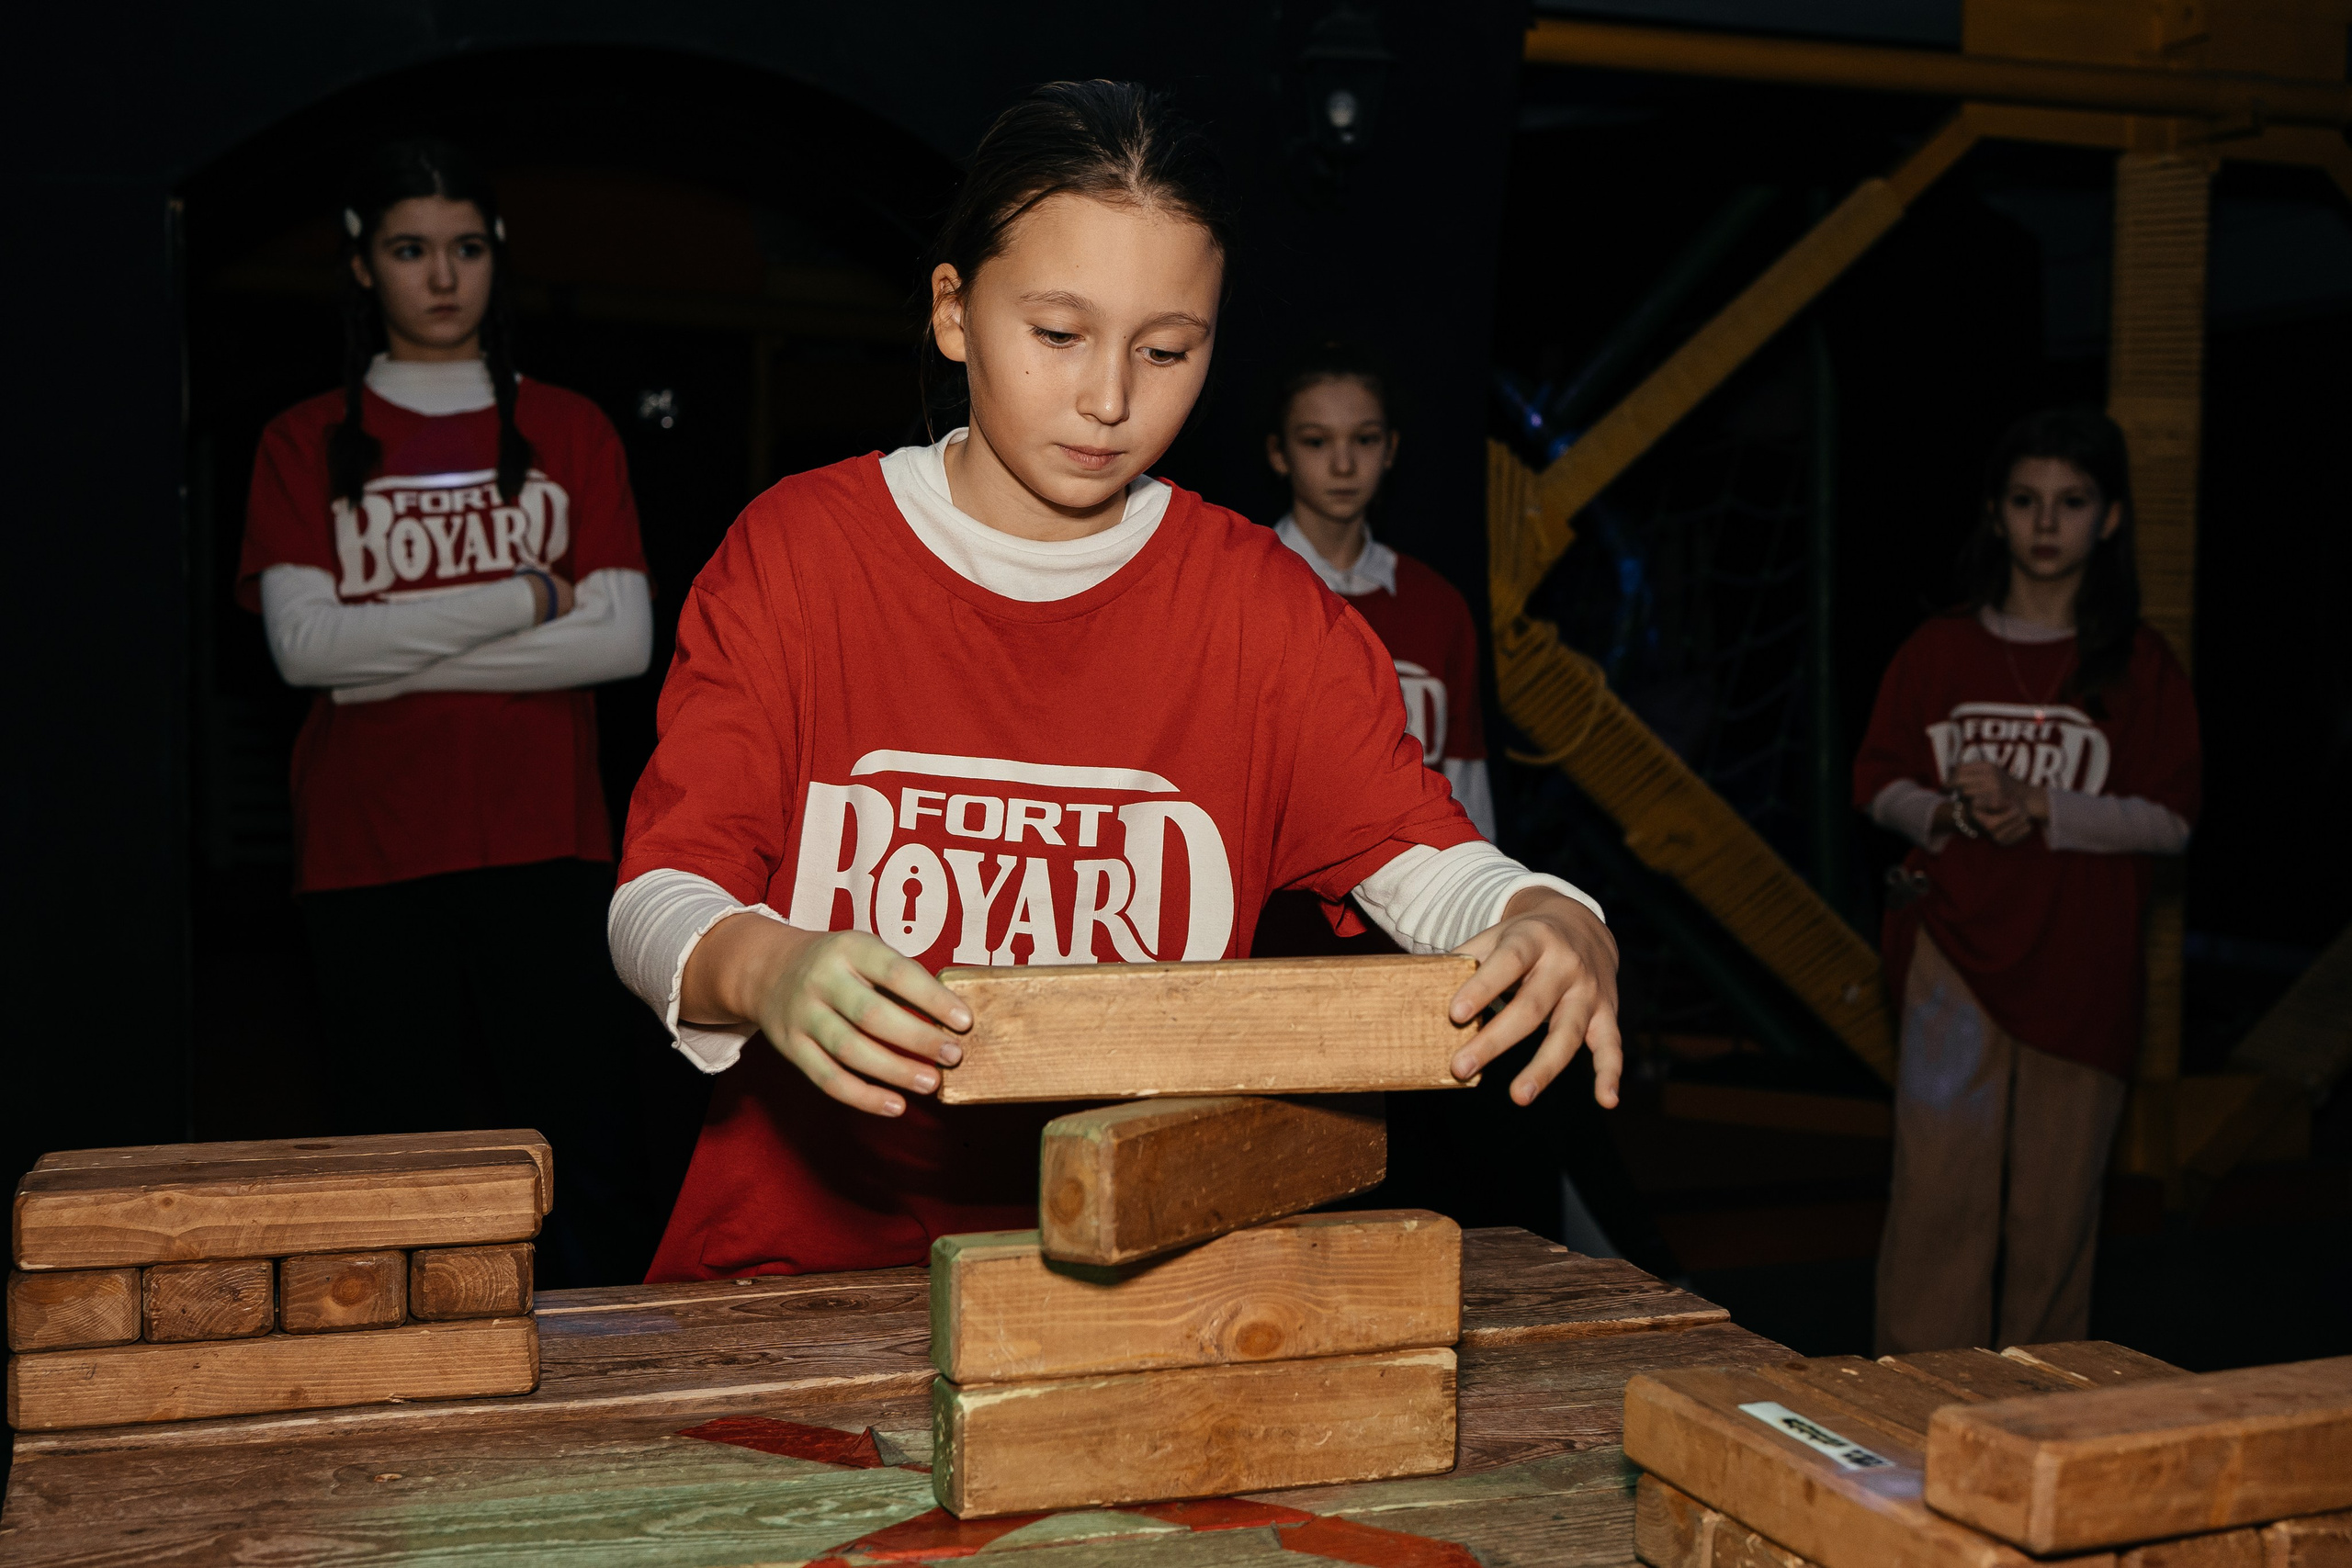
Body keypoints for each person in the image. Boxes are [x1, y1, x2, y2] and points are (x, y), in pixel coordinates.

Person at [606, 81, 1622, 1282]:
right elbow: (659, 895)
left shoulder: (1264, 610)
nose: (1108, 398)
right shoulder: (802, 551)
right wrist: (766, 965)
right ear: (952, 311)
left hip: (1141, 1284)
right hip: (796, 1278)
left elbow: (1427, 859)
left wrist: (1551, 916)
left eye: (1166, 349)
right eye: (1058, 333)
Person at [237, 139, 657, 1286]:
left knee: (580, 1143)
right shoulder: (302, 439)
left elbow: (621, 640)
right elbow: (302, 649)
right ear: (363, 263)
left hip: (545, 836)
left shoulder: (570, 429)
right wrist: (525, 597)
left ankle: (599, 1376)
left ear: (497, 257)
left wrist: (380, 664)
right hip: (367, 847)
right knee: (392, 1157)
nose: (440, 276)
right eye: (409, 249)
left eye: (464, 248)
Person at [1854, 407, 2199, 1353]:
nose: (2047, 524)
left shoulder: (2139, 665)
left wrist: (2040, 805)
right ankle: (1916, 1401)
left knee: (2054, 1213)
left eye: (2072, 502)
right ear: (1995, 515)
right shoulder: (1940, 650)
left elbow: (2169, 820)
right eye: (2025, 501)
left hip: (2081, 963)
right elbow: (1877, 782)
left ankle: (2035, 1416)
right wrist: (1950, 812)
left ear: (2110, 519)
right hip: (1952, 952)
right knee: (1935, 1198)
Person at [1267, 341, 1493, 837]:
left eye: (1364, 440)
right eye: (1315, 441)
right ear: (1278, 453)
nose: (1343, 465)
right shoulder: (1244, 593)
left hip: (1416, 896)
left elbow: (1465, 777)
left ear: (1390, 448)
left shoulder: (1438, 606)